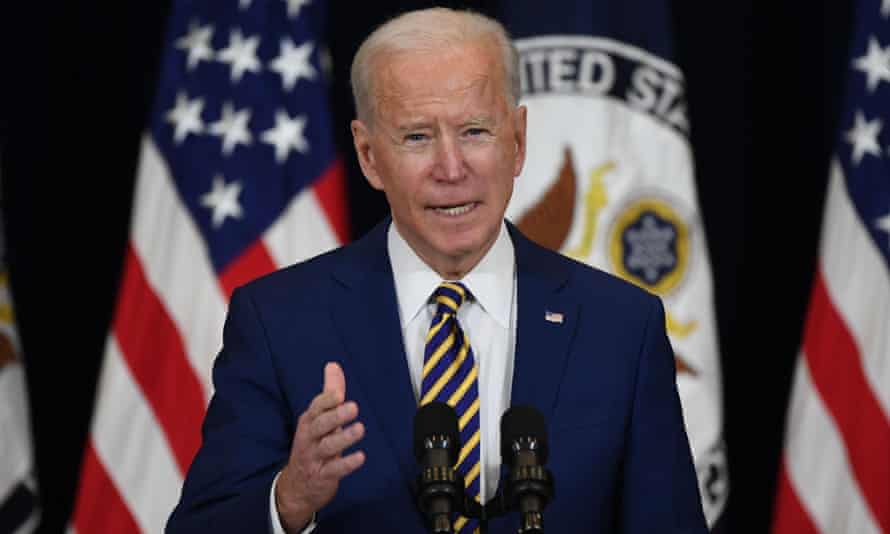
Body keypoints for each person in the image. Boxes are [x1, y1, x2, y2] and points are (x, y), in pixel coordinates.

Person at [166, 7, 708, 534]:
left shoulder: (620, 327)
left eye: (474, 131)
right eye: (417, 137)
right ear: (369, 155)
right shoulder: (279, 322)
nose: (452, 169)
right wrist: (290, 498)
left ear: (517, 142)